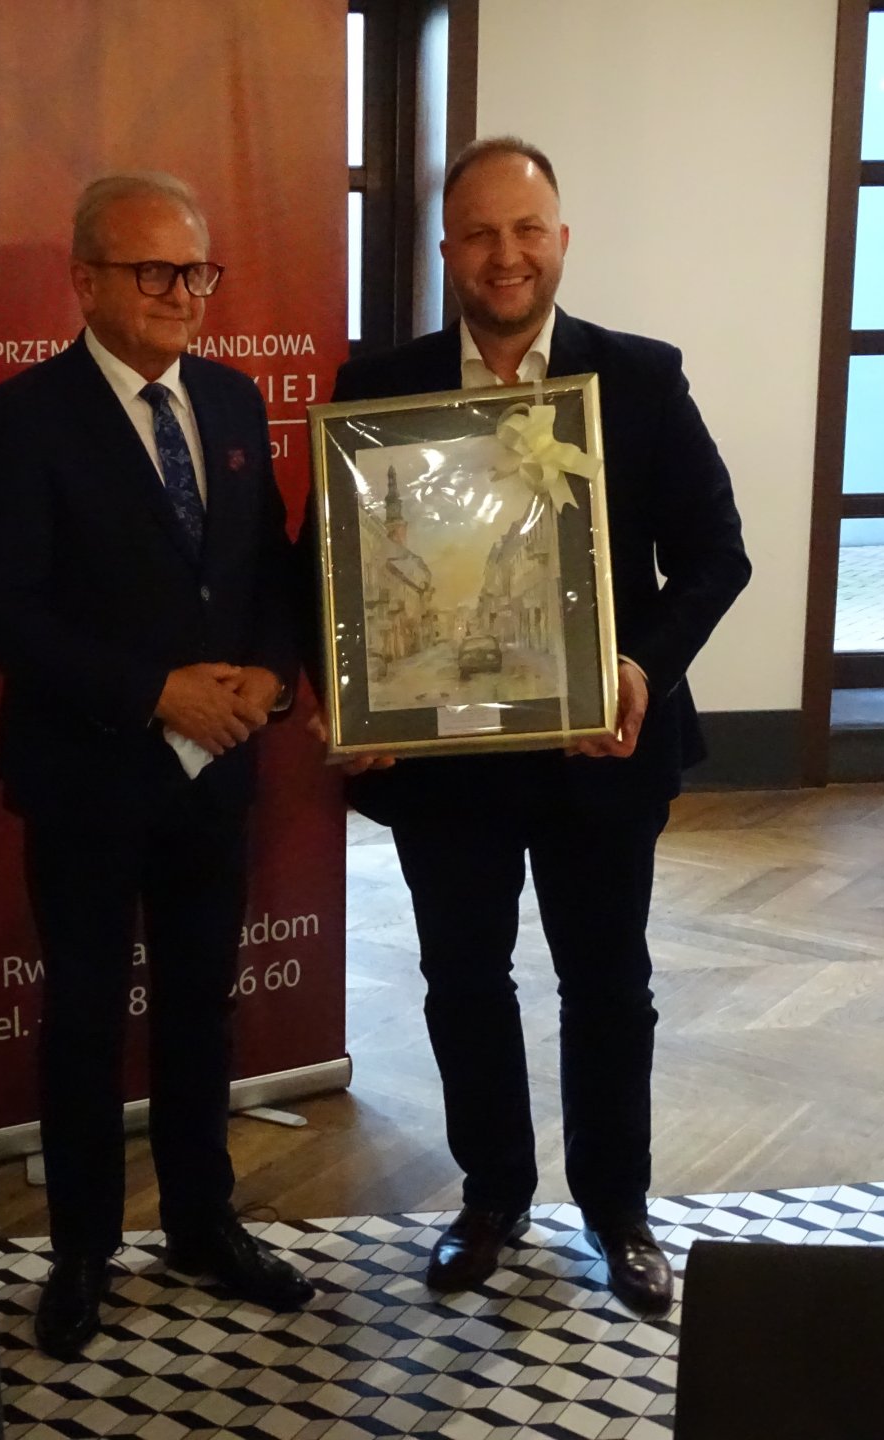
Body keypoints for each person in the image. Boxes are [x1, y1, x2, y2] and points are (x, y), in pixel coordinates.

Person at [313, 137, 750, 1317]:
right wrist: (348, 693)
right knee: (463, 980)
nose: (504, 255)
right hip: (441, 759)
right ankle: (493, 1196)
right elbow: (328, 573)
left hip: (599, 748)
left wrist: (639, 667)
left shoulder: (641, 379)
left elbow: (717, 555)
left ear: (561, 240)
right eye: (479, 234)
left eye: (525, 230)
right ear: (446, 250)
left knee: (609, 984)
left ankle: (619, 1212)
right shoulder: (377, 388)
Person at [0, 172, 315, 1360]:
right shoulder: (24, 418)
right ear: (85, 280)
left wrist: (268, 677)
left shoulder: (231, 398)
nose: (183, 292)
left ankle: (204, 1224)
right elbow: (1, 615)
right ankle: (82, 1251)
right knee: (83, 1015)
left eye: (196, 269)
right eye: (154, 270)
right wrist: (156, 691)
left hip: (217, 769)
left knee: (202, 1008)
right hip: (89, 771)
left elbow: (268, 568)